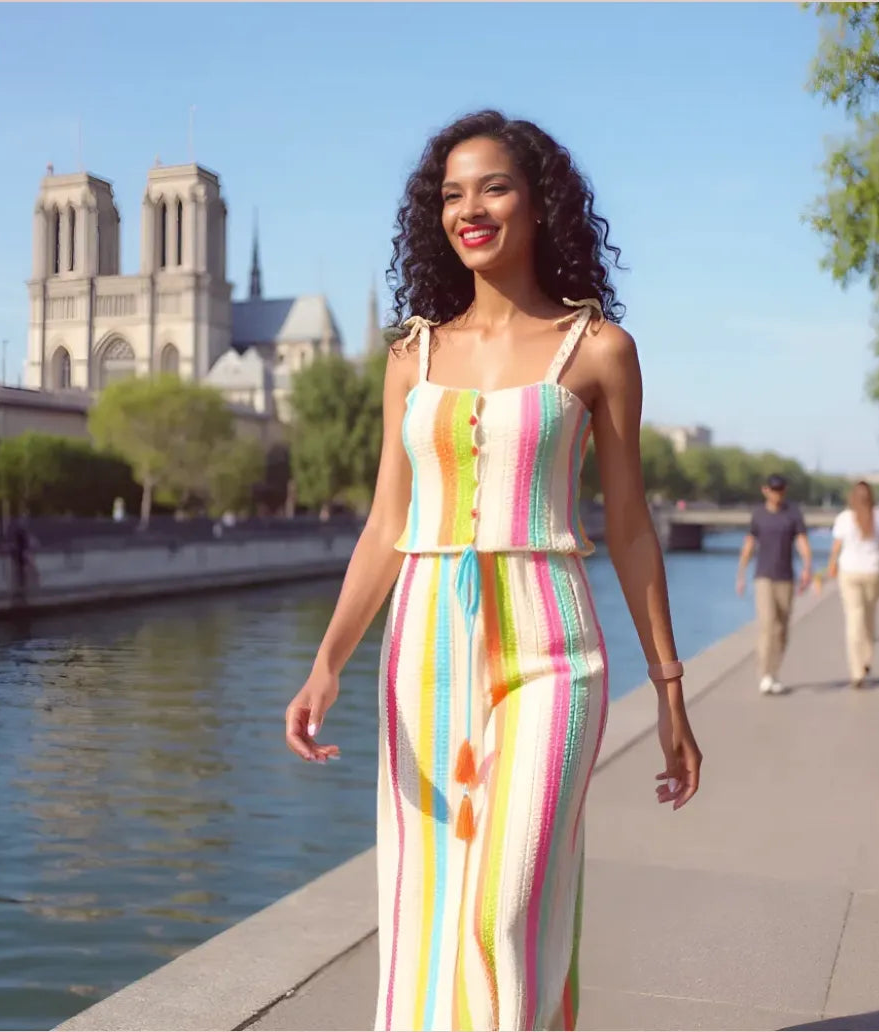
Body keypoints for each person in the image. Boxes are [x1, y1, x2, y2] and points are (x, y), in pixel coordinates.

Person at [283, 110, 702, 1032]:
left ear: (541, 204)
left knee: (503, 902)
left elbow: (629, 529)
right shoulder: (412, 356)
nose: (469, 209)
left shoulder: (598, 350)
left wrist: (670, 687)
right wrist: (328, 663)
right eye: (451, 194)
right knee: (427, 901)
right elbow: (389, 524)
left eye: (494, 187)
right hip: (424, 649)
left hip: (555, 647)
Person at [735, 474, 812, 695]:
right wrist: (741, 573)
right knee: (767, 624)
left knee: (782, 629)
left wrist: (807, 567)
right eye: (773, 489)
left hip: (786, 577)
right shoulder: (758, 515)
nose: (777, 494)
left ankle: (774, 672)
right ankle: (765, 674)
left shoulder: (793, 514)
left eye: (781, 490)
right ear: (765, 490)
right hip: (764, 577)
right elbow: (750, 543)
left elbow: (801, 541)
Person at [828, 481, 879, 689]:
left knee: (854, 619)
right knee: (869, 619)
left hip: (850, 572)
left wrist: (832, 566)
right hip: (873, 571)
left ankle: (856, 671)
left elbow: (837, 546)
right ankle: (866, 660)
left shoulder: (844, 518)